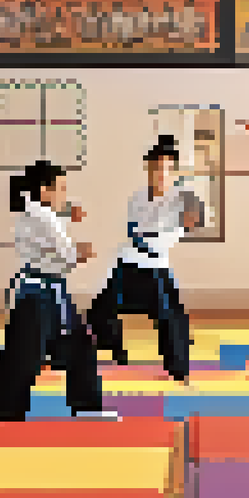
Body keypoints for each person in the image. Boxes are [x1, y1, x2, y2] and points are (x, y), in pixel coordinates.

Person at [0, 161, 116, 432]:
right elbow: (66, 255)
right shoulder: (42, 217)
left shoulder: (37, 211)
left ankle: (87, 407)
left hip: (49, 294)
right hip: (37, 299)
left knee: (80, 346)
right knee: (23, 358)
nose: (64, 194)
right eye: (61, 188)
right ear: (44, 190)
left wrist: (68, 212)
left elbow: (53, 224)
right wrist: (82, 252)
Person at [88, 135, 203, 384]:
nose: (161, 173)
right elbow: (133, 230)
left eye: (166, 168)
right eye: (156, 167)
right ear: (149, 169)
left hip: (156, 267)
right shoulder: (138, 197)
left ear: (173, 171)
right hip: (128, 263)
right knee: (100, 311)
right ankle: (116, 350)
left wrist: (188, 219)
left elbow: (192, 220)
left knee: (171, 318)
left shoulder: (183, 198)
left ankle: (179, 371)